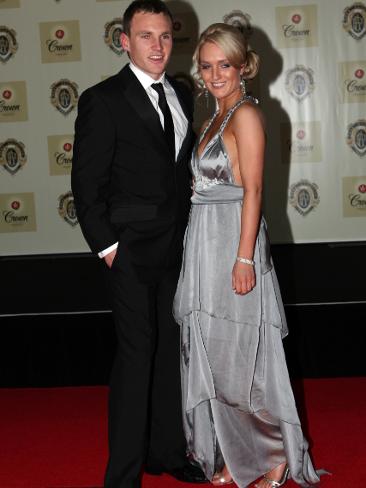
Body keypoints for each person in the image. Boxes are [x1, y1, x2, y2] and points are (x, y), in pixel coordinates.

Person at [173, 23, 321, 488]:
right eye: (206, 65)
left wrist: (243, 260)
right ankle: (241, 455)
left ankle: (274, 454)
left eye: (225, 65)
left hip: (233, 241)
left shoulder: (246, 116)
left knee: (245, 356)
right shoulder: (213, 115)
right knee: (217, 354)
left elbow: (253, 190)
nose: (215, 74)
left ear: (243, 67)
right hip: (203, 241)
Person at [71, 1, 206, 487]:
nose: (157, 45)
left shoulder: (183, 94)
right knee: (135, 357)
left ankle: (166, 453)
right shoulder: (102, 99)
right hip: (128, 252)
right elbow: (86, 186)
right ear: (124, 40)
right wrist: (109, 248)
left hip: (177, 249)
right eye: (146, 36)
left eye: (166, 36)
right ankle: (123, 475)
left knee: (171, 353)